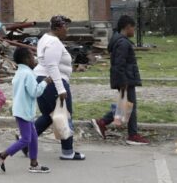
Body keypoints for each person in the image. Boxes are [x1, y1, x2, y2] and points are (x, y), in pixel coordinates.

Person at [34, 15, 86, 160]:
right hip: (53, 82)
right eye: (65, 27)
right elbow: (52, 67)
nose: (67, 30)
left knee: (49, 115)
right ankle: (67, 151)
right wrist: (61, 89)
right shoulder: (54, 42)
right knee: (65, 114)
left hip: (42, 79)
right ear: (57, 28)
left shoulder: (45, 38)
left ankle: (25, 142)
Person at [91, 15, 150, 145]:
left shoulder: (119, 41)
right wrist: (123, 82)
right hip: (125, 80)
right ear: (127, 27)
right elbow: (119, 64)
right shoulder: (123, 43)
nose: (134, 31)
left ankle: (103, 122)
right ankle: (132, 135)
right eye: (133, 28)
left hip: (125, 79)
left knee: (125, 105)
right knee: (130, 106)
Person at [0, 47, 52, 174]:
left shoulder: (20, 72)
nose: (34, 59)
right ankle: (2, 155)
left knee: (34, 137)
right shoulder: (28, 74)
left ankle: (34, 164)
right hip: (24, 112)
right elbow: (35, 92)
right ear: (26, 60)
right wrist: (45, 82)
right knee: (26, 139)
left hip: (22, 110)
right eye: (32, 57)